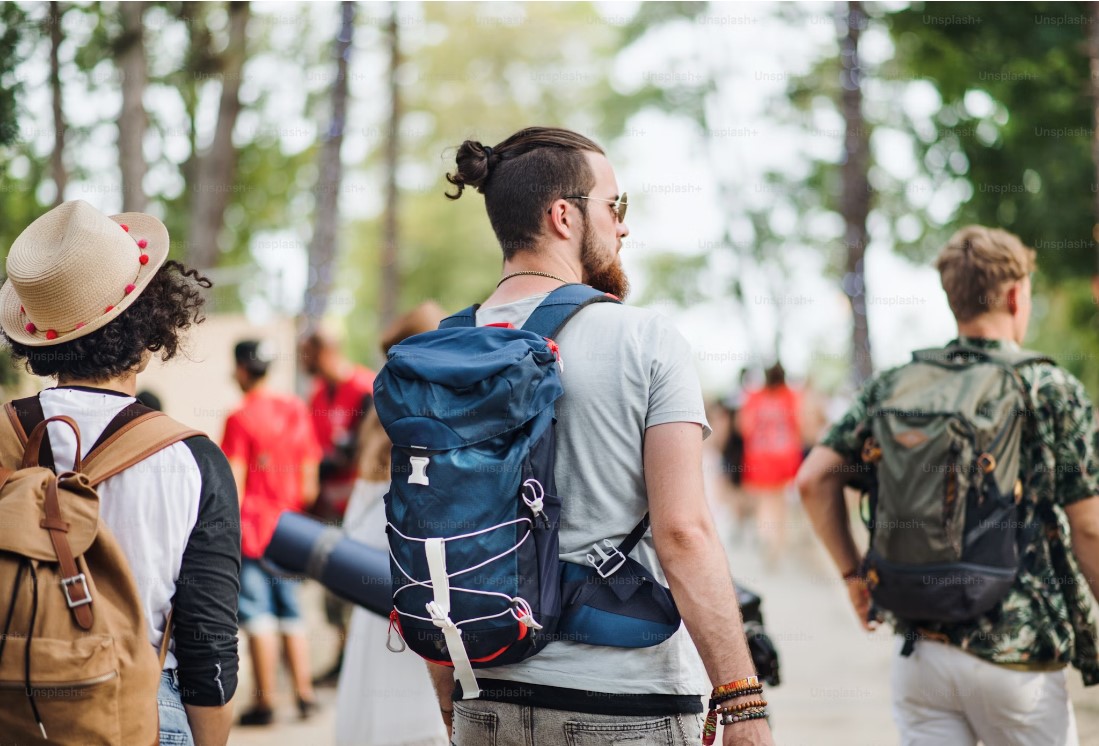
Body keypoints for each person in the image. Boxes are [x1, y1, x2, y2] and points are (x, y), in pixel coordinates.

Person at [429, 127, 773, 746]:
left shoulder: (443, 354)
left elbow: (433, 542)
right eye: (615, 205)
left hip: (485, 696)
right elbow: (683, 533)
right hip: (625, 701)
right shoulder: (646, 339)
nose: (624, 226)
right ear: (563, 215)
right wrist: (743, 703)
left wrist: (455, 704)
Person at [797, 225, 1099, 745]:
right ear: (1015, 295)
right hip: (1017, 660)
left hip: (921, 656)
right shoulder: (1048, 387)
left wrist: (853, 575)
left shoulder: (896, 383)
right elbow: (1089, 528)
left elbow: (813, 478)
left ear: (951, 298)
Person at [0, 200, 240, 745]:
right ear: (147, 327)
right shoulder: (192, 459)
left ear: (39, 338)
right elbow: (207, 642)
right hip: (139, 708)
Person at [334, 302, 449, 746]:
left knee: (379, 708)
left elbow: (357, 518)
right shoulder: (439, 413)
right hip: (420, 584)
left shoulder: (380, 414)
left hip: (376, 586)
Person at [221, 340, 322, 726]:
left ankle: (265, 704)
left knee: (258, 616)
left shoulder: (239, 417)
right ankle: (305, 695)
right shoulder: (296, 410)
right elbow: (309, 486)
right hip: (290, 531)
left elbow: (234, 484)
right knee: (292, 613)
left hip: (251, 533)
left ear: (241, 369)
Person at [300, 326, 375, 683]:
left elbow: (367, 448)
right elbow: (314, 448)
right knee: (333, 587)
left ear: (325, 351)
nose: (303, 362)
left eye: (307, 354)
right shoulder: (317, 393)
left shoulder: (365, 388)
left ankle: (358, 663)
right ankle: (343, 659)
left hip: (361, 504)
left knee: (360, 586)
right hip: (329, 506)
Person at [738, 362, 803, 566]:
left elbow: (744, 426)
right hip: (784, 456)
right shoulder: (790, 396)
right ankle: (777, 545)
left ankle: (765, 536)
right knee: (780, 502)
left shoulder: (754, 397)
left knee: (764, 501)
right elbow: (800, 424)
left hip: (759, 456)